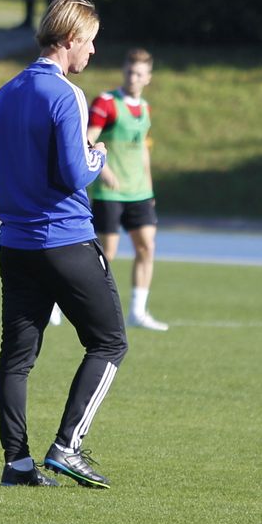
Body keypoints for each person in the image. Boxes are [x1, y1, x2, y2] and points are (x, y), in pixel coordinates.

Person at [0, 0, 128, 489]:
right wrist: (98, 154)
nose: (93, 52)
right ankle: (67, 447)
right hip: (66, 240)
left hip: (15, 246)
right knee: (109, 342)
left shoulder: (3, 94)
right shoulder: (66, 94)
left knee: (16, 359)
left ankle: (17, 464)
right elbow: (74, 174)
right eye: (90, 41)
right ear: (69, 38)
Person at [87, 48, 166, 330]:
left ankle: (138, 311)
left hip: (139, 192)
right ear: (124, 72)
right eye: (130, 72)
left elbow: (142, 149)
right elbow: (87, 138)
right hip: (109, 192)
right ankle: (63, 302)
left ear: (148, 78)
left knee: (146, 248)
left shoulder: (145, 108)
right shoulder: (106, 103)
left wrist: (149, 188)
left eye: (139, 74)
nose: (133, 78)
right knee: (105, 254)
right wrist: (103, 169)